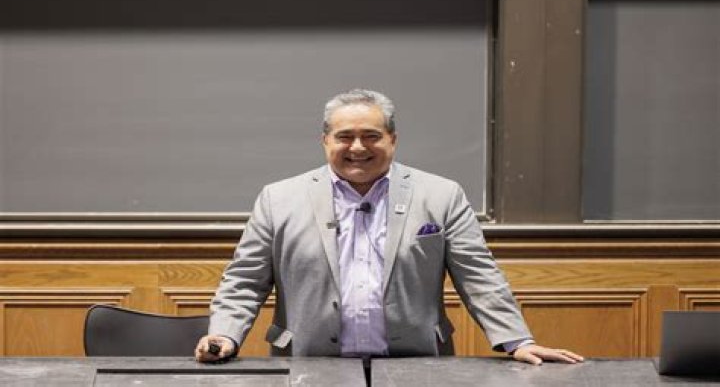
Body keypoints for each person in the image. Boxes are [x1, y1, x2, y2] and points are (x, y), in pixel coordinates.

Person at [195, 89, 583, 366]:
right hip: (309, 364)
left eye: (371, 136)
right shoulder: (279, 198)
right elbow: (244, 280)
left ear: (393, 140)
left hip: (416, 365)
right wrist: (225, 334)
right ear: (325, 141)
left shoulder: (441, 195)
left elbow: (479, 276)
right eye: (344, 137)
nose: (357, 147)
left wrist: (517, 340)